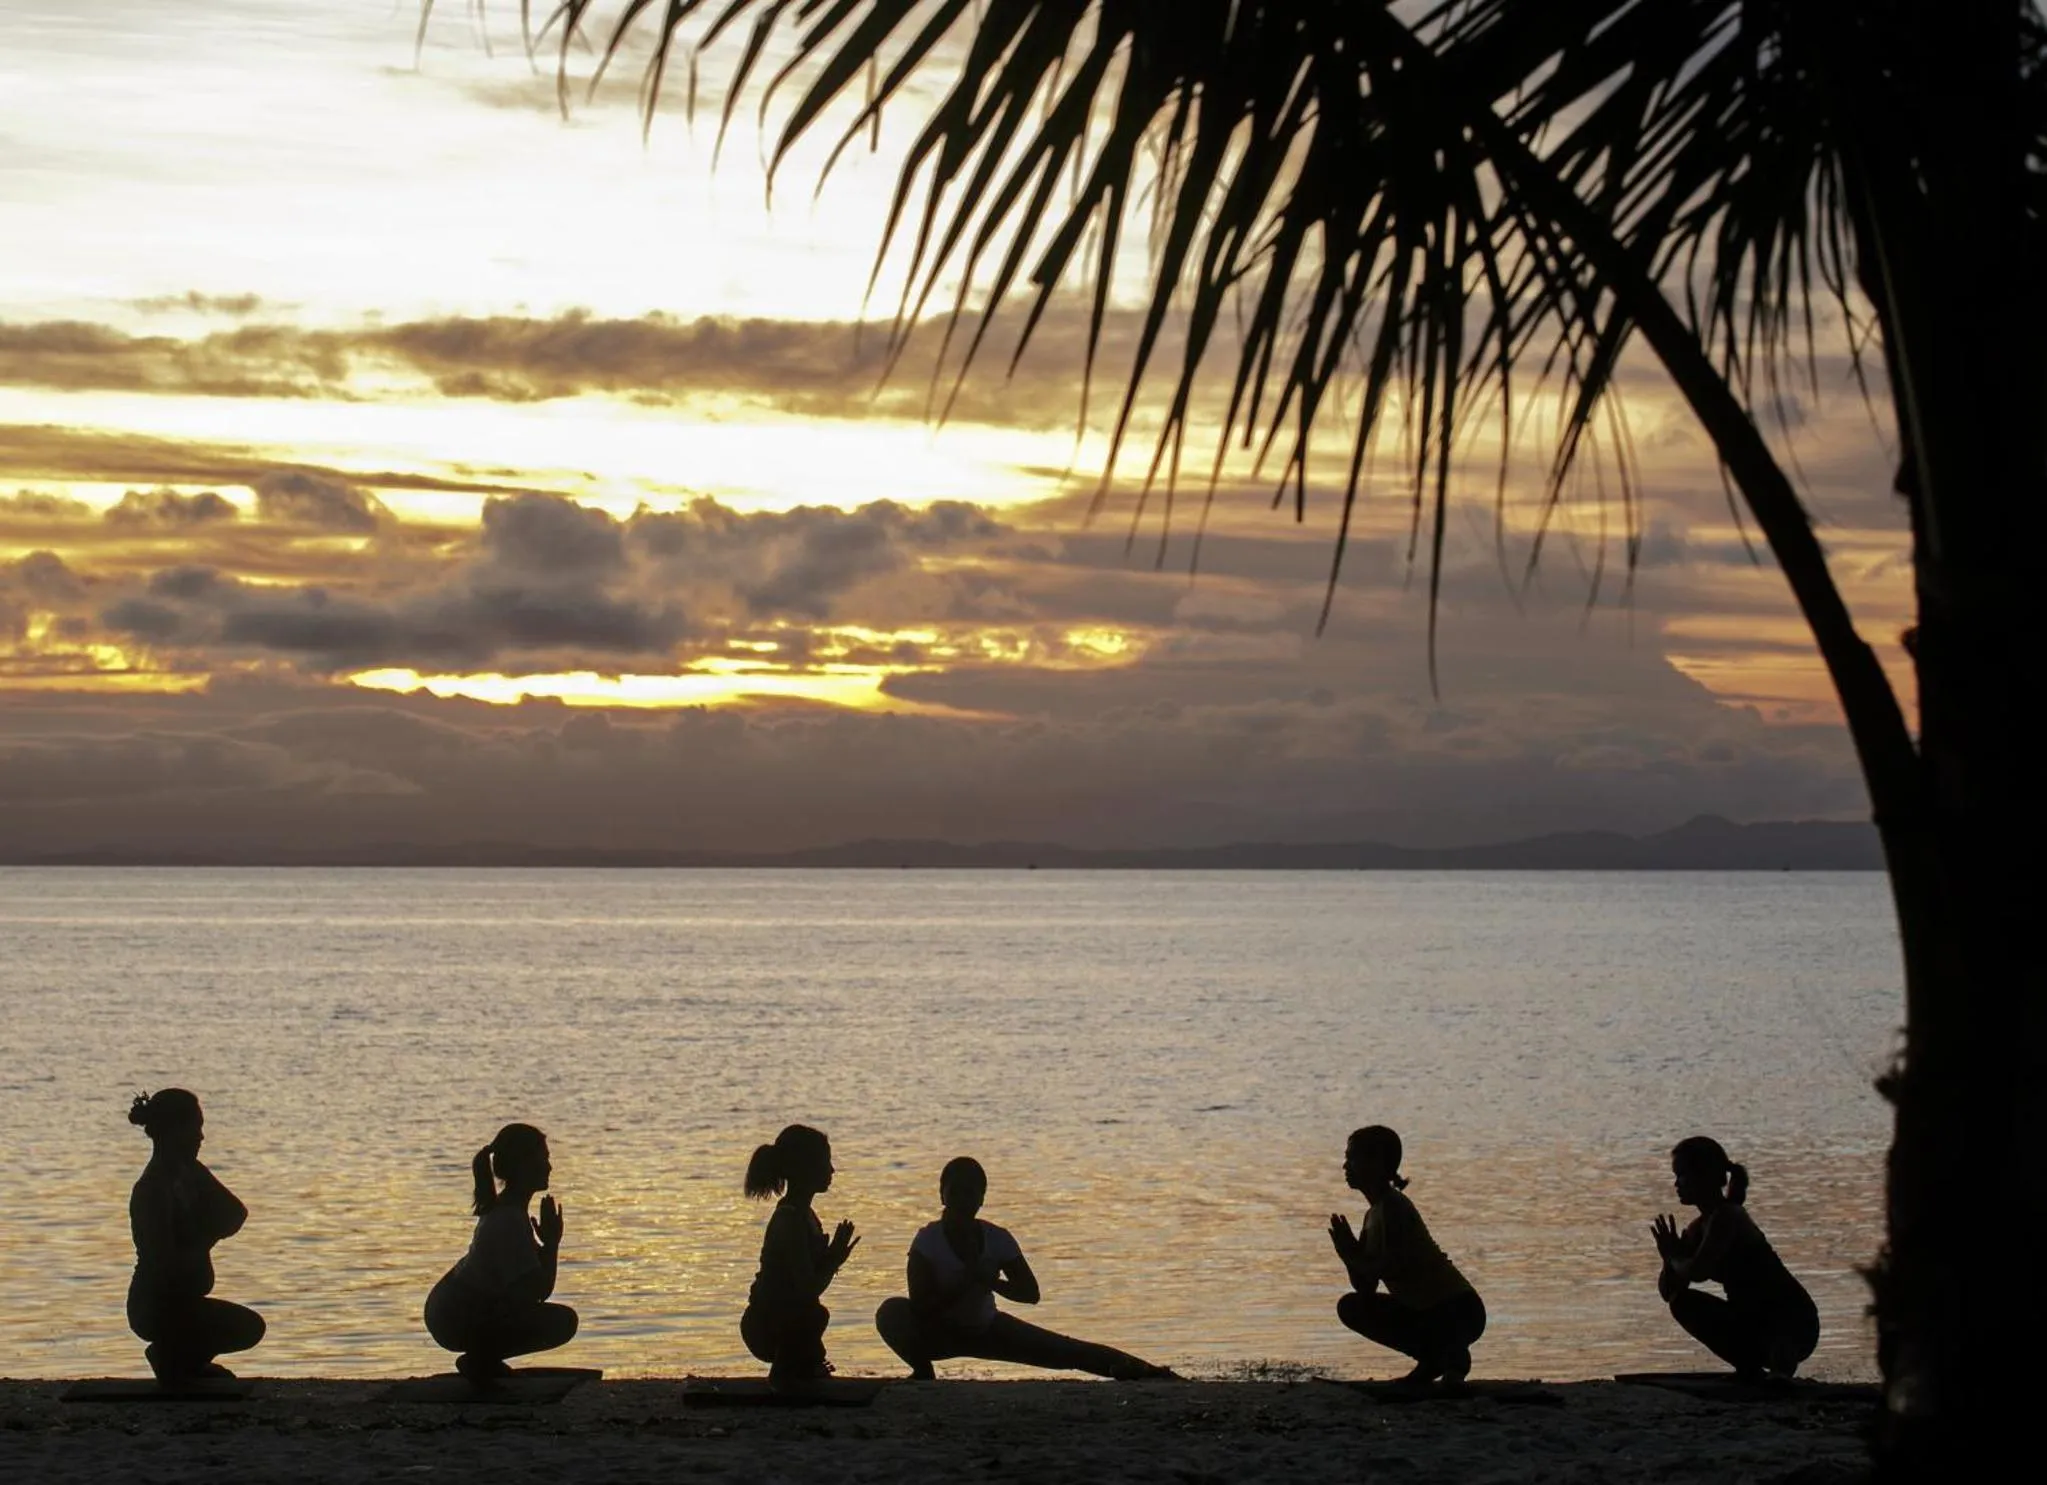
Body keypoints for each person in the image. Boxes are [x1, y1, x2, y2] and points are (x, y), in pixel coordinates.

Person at [874, 1156, 1174, 1380]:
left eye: (971, 1193)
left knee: (1069, 1351)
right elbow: (921, 1307)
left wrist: (992, 1283)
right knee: (891, 1312)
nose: (963, 1200)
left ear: (982, 1198)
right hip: (938, 1333)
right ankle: (923, 1371)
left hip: (988, 1328)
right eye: (956, 1192)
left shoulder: (997, 1238)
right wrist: (965, 1284)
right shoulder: (927, 1242)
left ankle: (1154, 1374)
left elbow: (1030, 1293)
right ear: (942, 1194)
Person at [125, 1089, 266, 1381]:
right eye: (195, 1128)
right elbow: (162, 1260)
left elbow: (235, 1212)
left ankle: (184, 1363)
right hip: (155, 1305)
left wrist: (203, 1232)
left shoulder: (191, 1173)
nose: (201, 1137)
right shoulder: (152, 1188)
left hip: (185, 1300)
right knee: (244, 1327)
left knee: (250, 1326)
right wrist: (200, 1237)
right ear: (174, 1132)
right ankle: (170, 1358)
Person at [1651, 1136, 1820, 1380]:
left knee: (1778, 1332)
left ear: (1705, 1176)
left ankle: (1779, 1370)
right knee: (1681, 1303)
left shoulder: (1728, 1216)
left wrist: (1675, 1257)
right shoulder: (1696, 1229)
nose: (1676, 1184)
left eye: (1682, 1175)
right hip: (1750, 1321)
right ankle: (1749, 1369)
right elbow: (1669, 1292)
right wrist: (1669, 1259)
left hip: (1794, 1323)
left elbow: (1698, 1271)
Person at [1328, 1125, 1486, 1385]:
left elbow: (1392, 1266)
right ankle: (1435, 1360)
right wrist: (1348, 1254)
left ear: (1377, 1163)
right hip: (1423, 1310)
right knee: (1351, 1307)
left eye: (1352, 1158)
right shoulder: (1372, 1215)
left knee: (1358, 1307)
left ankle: (1452, 1358)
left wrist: (1355, 1256)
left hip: (1458, 1310)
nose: (1345, 1166)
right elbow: (1365, 1286)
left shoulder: (1394, 1207)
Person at [423, 1123, 578, 1380]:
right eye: (543, 1159)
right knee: (563, 1322)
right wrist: (552, 1245)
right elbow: (538, 1291)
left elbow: (529, 1284)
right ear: (522, 1166)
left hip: (451, 1311)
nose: (549, 1167)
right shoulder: (508, 1220)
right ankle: (480, 1360)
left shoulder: (509, 1212)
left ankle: (483, 1359)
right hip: (454, 1317)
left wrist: (547, 1245)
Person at [741, 1124, 858, 1385]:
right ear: (804, 1168)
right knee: (813, 1316)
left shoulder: (805, 1215)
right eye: (825, 1162)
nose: (832, 1170)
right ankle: (784, 1374)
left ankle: (801, 1366)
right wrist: (833, 1260)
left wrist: (833, 1256)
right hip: (766, 1324)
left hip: (786, 1316)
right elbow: (808, 1289)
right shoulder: (790, 1220)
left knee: (814, 1317)